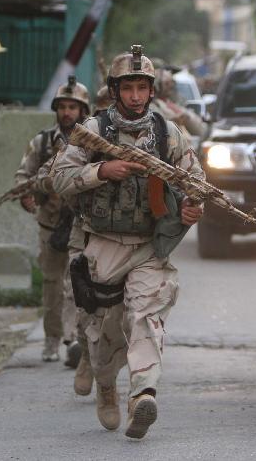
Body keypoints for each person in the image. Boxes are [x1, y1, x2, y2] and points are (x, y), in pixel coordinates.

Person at [51, 45, 204, 439]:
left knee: (146, 317)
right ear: (114, 90)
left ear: (151, 90)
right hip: (101, 244)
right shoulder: (92, 132)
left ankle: (143, 394)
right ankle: (107, 385)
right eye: (128, 88)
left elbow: (194, 182)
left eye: (142, 87)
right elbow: (60, 179)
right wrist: (102, 170)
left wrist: (191, 206)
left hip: (149, 247)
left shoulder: (168, 133)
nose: (136, 96)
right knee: (103, 334)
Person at [14, 75, 90, 363]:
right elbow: (24, 175)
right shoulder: (42, 142)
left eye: (74, 107)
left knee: (78, 283)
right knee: (52, 284)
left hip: (82, 224)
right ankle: (52, 339)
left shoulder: (91, 142)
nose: (68, 112)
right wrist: (27, 195)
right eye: (63, 106)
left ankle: (75, 339)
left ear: (83, 111)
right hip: (50, 224)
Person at [150, 67, 206, 139]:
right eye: (167, 83)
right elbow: (158, 124)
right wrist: (175, 119)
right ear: (157, 86)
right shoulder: (153, 105)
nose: (171, 86)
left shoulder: (174, 102)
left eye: (172, 82)